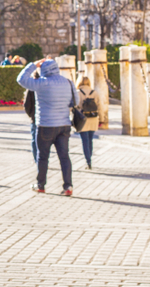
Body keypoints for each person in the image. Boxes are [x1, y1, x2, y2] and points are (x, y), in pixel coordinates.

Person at [17, 57, 80, 195]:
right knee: (64, 156)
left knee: (43, 157)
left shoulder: (41, 83)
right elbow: (76, 101)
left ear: (43, 69)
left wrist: (34, 64)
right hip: (64, 124)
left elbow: (21, 79)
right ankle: (68, 186)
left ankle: (41, 185)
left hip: (45, 125)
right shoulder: (68, 83)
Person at [75, 76, 99, 169]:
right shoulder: (95, 92)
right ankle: (90, 159)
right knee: (90, 140)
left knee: (84, 141)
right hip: (93, 118)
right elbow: (98, 105)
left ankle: (88, 161)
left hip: (83, 119)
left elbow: (76, 105)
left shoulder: (78, 93)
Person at [23, 86, 37, 163]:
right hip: (46, 120)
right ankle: (42, 162)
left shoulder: (31, 87)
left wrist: (31, 115)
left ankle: (37, 160)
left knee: (35, 141)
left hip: (35, 119)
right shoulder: (47, 85)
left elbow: (27, 105)